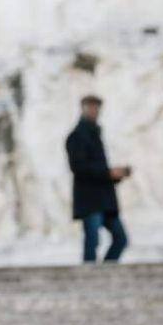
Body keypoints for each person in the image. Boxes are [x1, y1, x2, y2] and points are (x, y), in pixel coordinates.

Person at [66, 95, 131, 263]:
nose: (95, 111)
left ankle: (105, 273)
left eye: (97, 107)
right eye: (91, 107)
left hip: (105, 200)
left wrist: (116, 174)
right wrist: (108, 173)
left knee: (120, 238)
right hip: (89, 200)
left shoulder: (95, 134)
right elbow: (78, 168)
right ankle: (90, 277)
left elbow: (95, 169)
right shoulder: (76, 136)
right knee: (92, 241)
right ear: (83, 108)